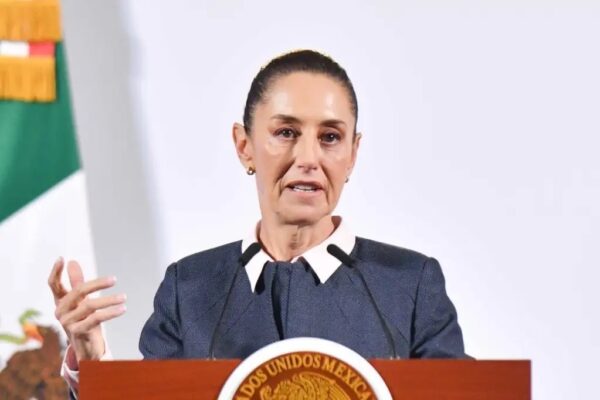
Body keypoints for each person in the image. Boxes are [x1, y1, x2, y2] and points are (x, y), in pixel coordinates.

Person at [49, 50, 468, 394]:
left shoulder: (409, 286)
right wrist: (91, 360)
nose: (308, 158)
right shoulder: (190, 289)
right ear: (244, 145)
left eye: (330, 137)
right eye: (286, 132)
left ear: (353, 153)